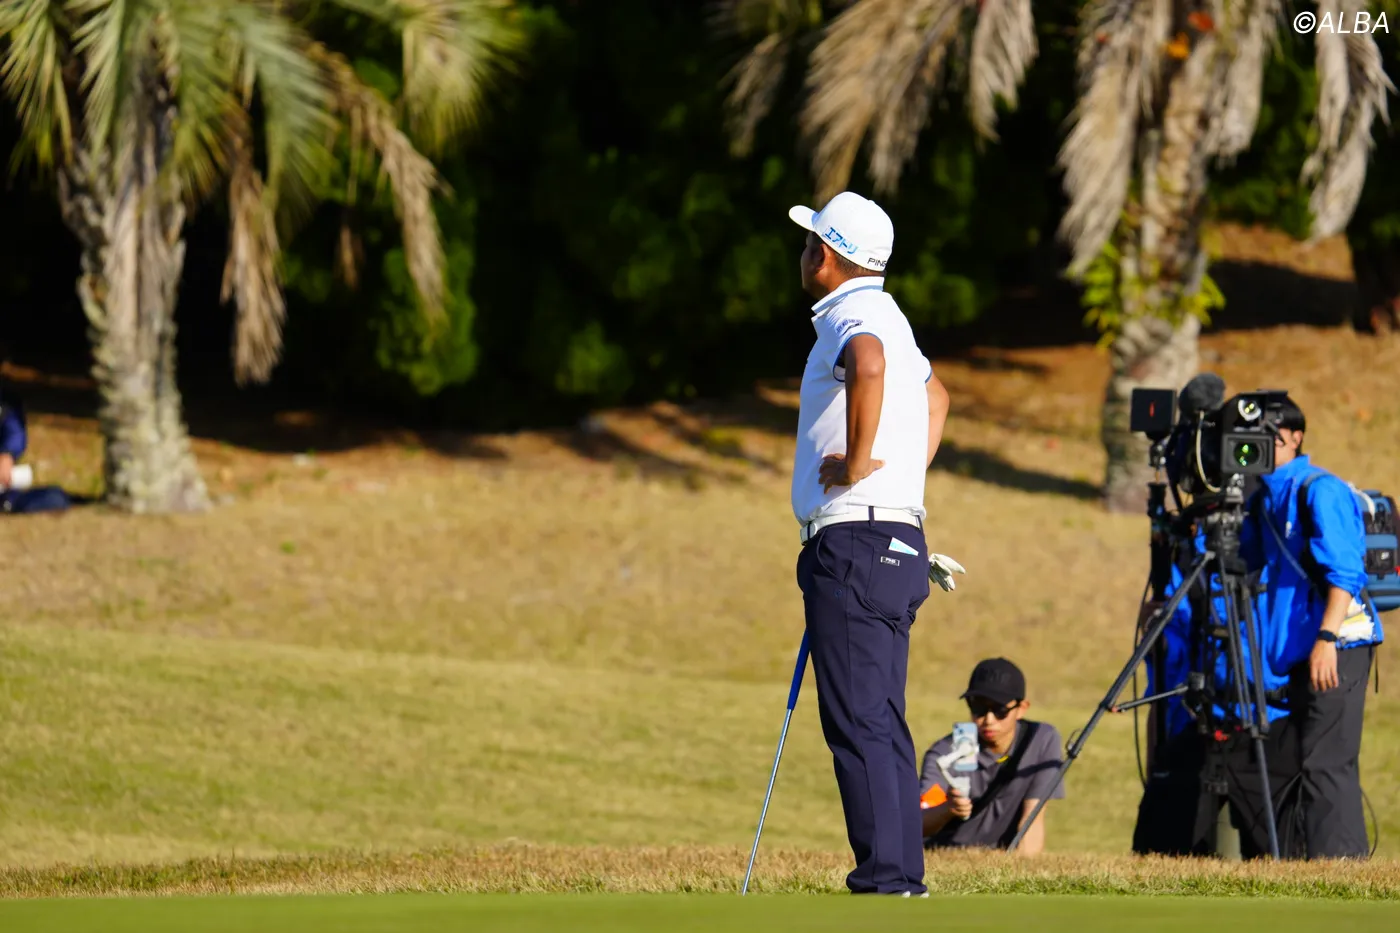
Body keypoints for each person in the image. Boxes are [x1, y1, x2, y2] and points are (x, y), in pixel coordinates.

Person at [788, 190, 951, 896]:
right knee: (879, 716)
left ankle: (887, 878)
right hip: (895, 538)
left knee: (857, 718)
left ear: (826, 256)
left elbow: (869, 362)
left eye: (809, 245)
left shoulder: (853, 318)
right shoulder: (891, 313)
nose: (804, 256)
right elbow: (937, 398)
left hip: (854, 540)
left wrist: (858, 465)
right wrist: (902, 479)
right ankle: (902, 874)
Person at [1239, 397, 1381, 859]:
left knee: (1326, 762)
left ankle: (1342, 872)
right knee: (1298, 759)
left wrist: (1326, 639)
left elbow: (1346, 573)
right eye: (1251, 438)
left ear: (1296, 437)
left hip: (1337, 643)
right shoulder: (1263, 498)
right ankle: (1303, 863)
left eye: (1269, 435)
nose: (1259, 445)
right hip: (1299, 650)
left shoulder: (1320, 490)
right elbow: (1242, 562)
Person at [918, 658, 1064, 855]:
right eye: (978, 708)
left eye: (1000, 710)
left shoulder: (1041, 740)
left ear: (1022, 708)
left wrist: (1021, 866)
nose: (988, 719)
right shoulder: (944, 754)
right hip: (946, 850)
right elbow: (916, 824)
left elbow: (1033, 818)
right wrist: (947, 809)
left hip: (1003, 855)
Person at [0, 383, 70, 514]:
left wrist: (7, 454)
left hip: (5, 491)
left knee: (55, 498)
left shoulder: (6, 401)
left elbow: (14, 431)